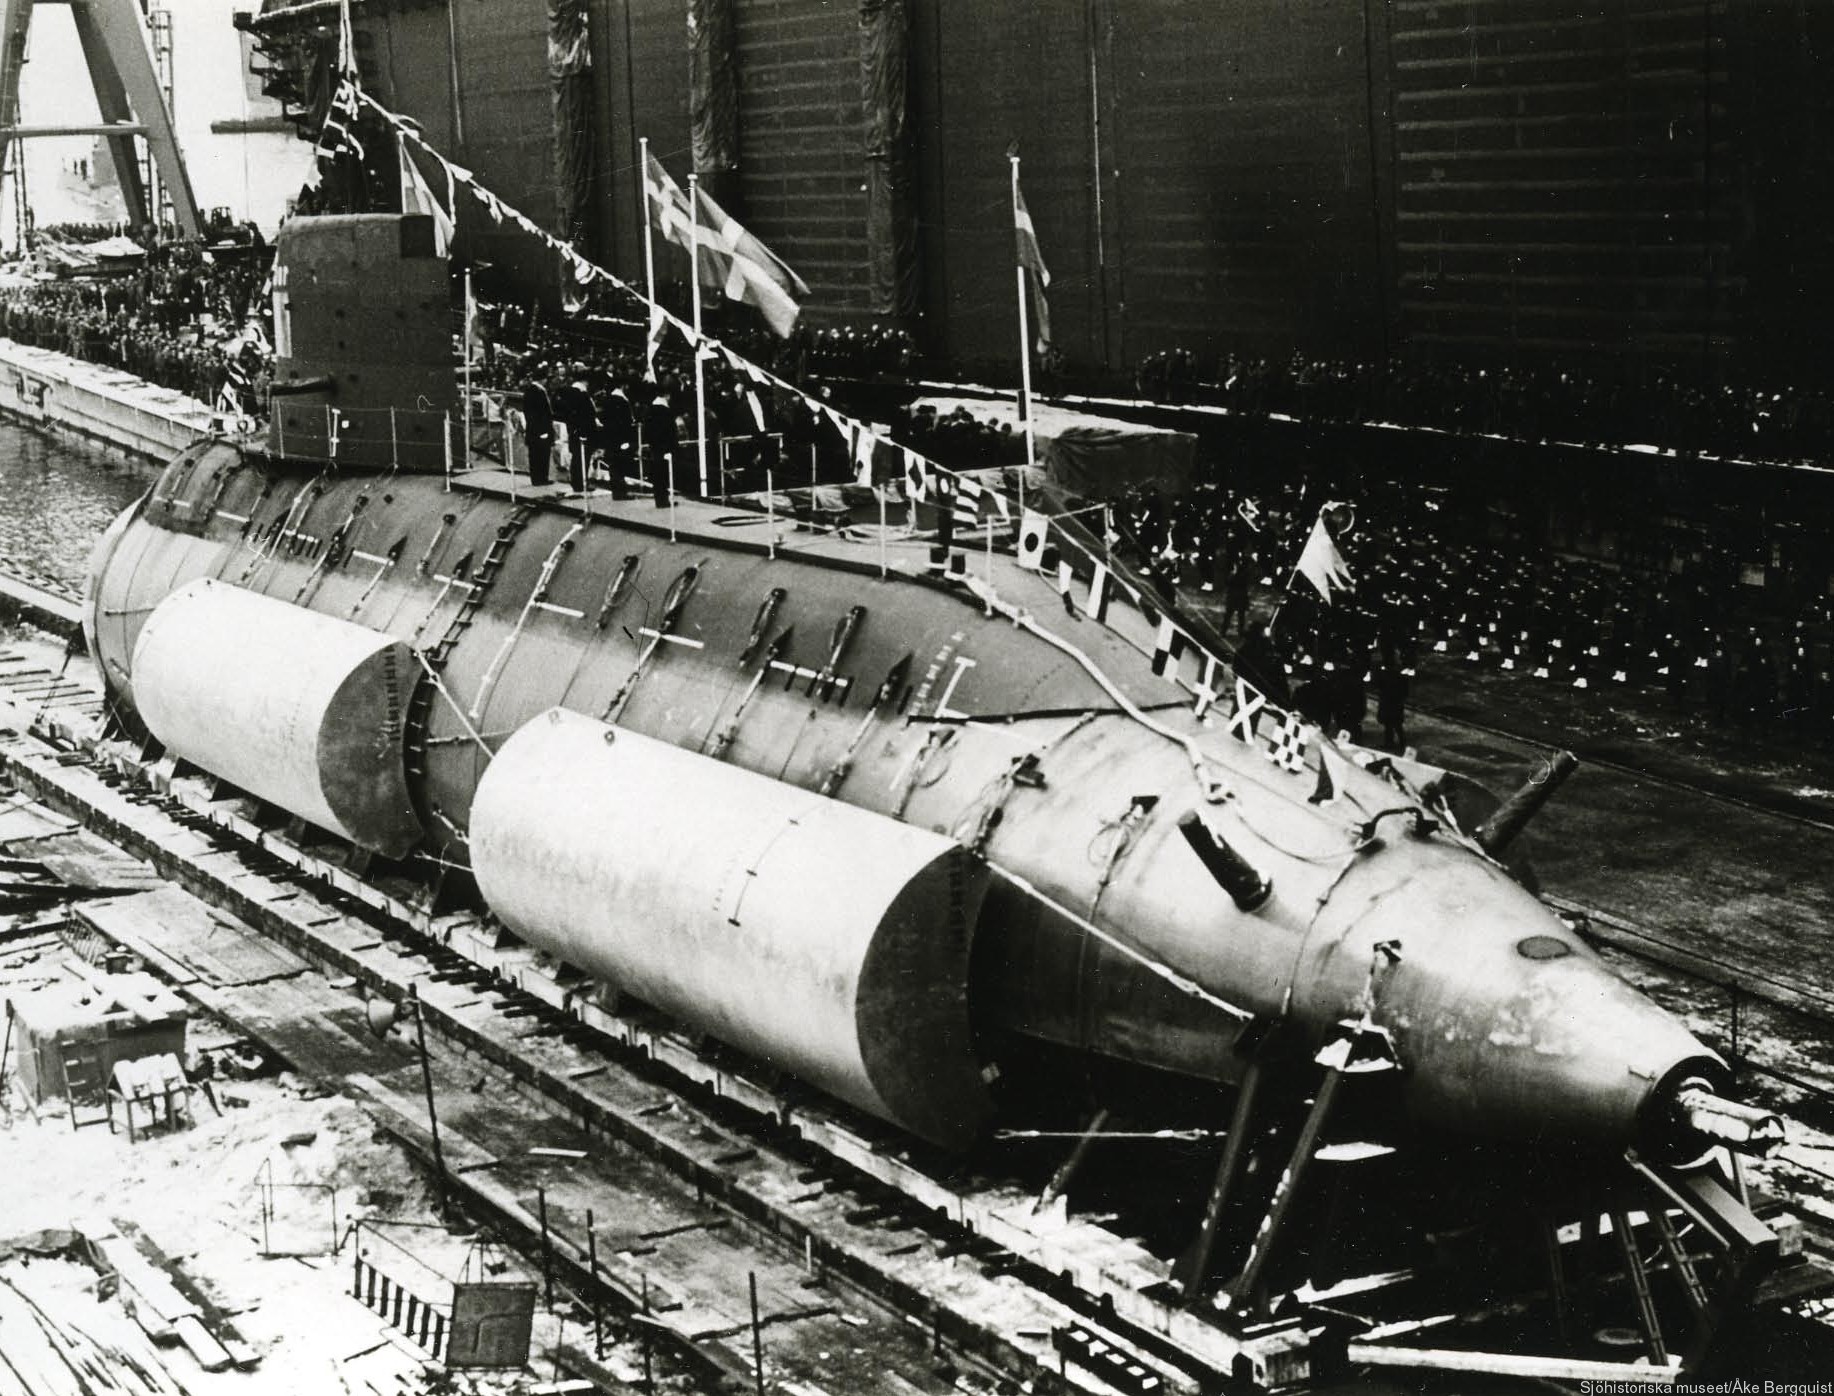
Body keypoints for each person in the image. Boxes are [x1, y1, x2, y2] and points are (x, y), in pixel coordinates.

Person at [555, 372, 596, 493]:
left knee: (577, 457)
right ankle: (581, 483)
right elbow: (588, 413)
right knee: (583, 458)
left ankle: (577, 483)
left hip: (574, 430)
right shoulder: (581, 394)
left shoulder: (568, 393)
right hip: (584, 430)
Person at [598, 384, 634, 501]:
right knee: (620, 465)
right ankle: (621, 492)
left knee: (613, 465)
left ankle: (617, 491)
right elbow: (627, 422)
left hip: (610, 438)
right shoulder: (622, 401)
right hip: (621, 438)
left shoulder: (608, 401)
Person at [644, 387, 678, 508]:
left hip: (654, 446)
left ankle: (660, 499)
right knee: (663, 473)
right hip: (664, 446)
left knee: (657, 473)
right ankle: (664, 500)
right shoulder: (665, 411)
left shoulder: (650, 409)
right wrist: (673, 447)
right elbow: (671, 431)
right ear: (667, 396)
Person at [521, 364, 553, 487]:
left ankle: (541, 478)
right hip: (539, 430)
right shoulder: (536, 392)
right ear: (543, 379)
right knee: (539, 454)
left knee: (540, 454)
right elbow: (535, 414)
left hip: (536, 430)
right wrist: (542, 431)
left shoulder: (534, 391)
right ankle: (539, 478)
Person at [1376, 658, 1409, 753]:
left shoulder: (1384, 676)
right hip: (1396, 703)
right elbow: (1405, 692)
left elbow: (1378, 686)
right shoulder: (1401, 677)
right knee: (1397, 724)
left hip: (1387, 702)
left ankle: (1389, 742)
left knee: (1388, 724)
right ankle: (1401, 742)